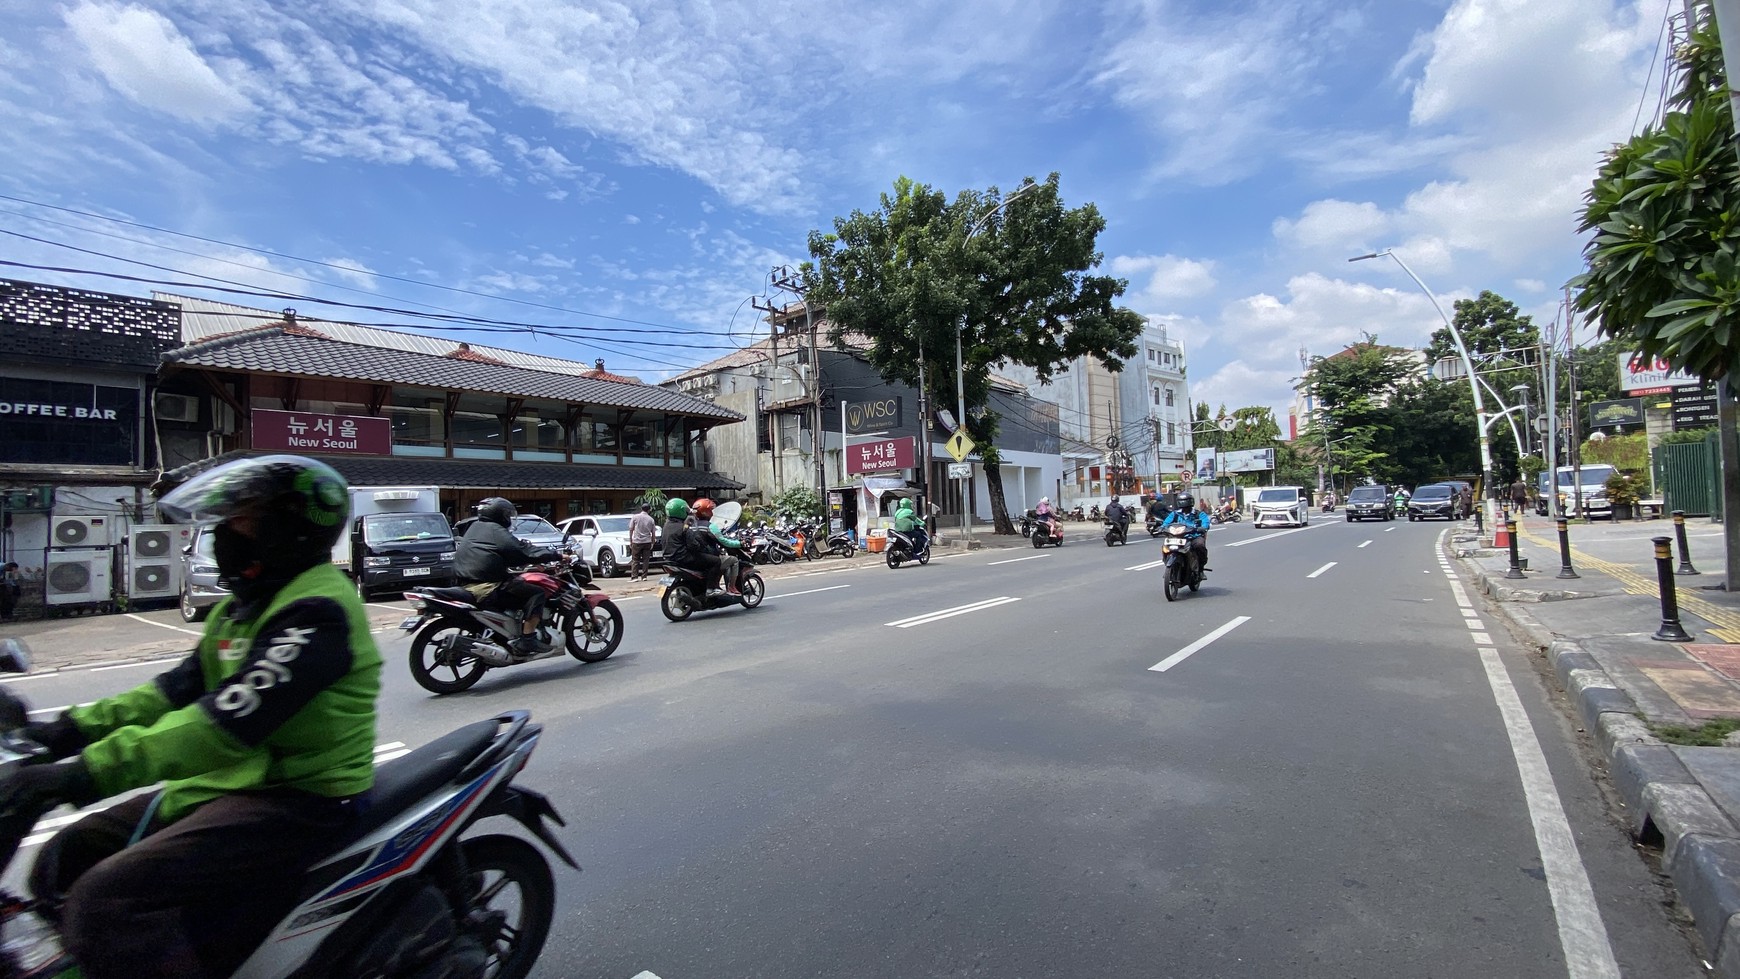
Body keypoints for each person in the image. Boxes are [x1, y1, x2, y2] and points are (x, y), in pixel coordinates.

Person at [0, 455, 382, 979]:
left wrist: (82, 772)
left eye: (242, 519)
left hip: (299, 797)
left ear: (291, 528)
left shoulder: (315, 612)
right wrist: (63, 732)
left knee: (107, 902)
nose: (226, 533)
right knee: (67, 853)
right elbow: (170, 692)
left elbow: (219, 727)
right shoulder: (242, 606)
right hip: (230, 784)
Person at [454, 497, 559, 656]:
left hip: (466, 583)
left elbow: (496, 553)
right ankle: (528, 638)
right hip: (487, 586)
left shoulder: (475, 527)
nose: (509, 518)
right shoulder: (496, 530)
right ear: (499, 515)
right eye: (507, 514)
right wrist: (555, 555)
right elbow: (522, 550)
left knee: (516, 585)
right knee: (536, 593)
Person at [663, 499, 738, 596]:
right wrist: (701, 547)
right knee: (716, 561)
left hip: (669, 559)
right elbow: (693, 545)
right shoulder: (684, 527)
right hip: (684, 558)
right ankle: (711, 589)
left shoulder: (666, 526)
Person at [690, 499, 744, 594]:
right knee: (734, 560)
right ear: (706, 512)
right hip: (708, 557)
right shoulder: (711, 526)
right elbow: (723, 541)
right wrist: (738, 543)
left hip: (695, 557)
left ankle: (716, 584)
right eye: (710, 510)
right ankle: (731, 587)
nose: (712, 512)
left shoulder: (691, 525)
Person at [1160, 490, 1212, 572]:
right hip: (1178, 537)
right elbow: (1166, 523)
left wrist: (1201, 528)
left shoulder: (1199, 514)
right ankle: (1168, 562)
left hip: (1194, 536)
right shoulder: (1175, 514)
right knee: (1166, 546)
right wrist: (1162, 527)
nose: (1185, 507)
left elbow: (1205, 523)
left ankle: (1200, 567)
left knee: (1199, 545)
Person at [628, 502, 658, 580]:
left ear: (641, 509)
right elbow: (653, 532)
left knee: (635, 560)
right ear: (649, 510)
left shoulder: (635, 517)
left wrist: (631, 541)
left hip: (637, 541)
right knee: (646, 560)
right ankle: (644, 576)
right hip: (647, 541)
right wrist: (653, 542)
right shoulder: (651, 519)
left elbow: (631, 529)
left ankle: (634, 577)